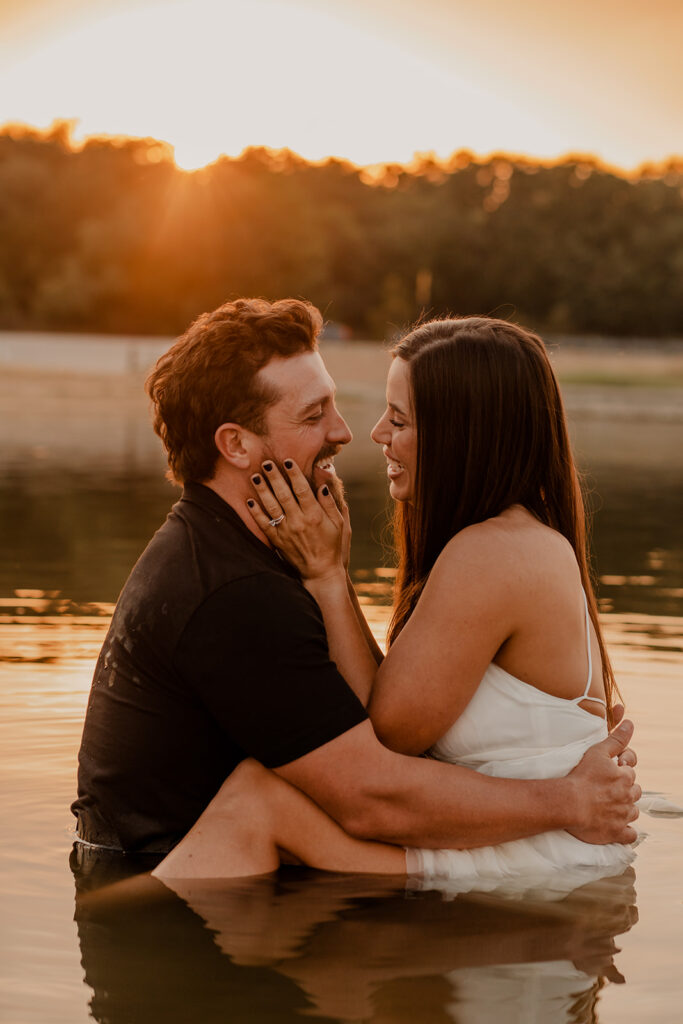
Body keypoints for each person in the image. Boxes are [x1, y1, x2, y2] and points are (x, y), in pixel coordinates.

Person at [71, 298, 638, 880]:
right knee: (257, 802)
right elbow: (379, 770)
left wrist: (328, 577)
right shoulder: (233, 589)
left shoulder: (487, 550)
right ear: (237, 445)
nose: (352, 433)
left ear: (461, 432)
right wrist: (569, 800)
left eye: (398, 418)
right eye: (315, 414)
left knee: (258, 802)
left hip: (538, 864)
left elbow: (383, 745)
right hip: (171, 878)